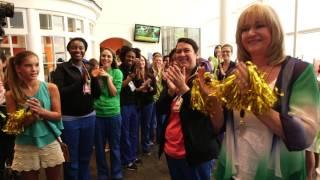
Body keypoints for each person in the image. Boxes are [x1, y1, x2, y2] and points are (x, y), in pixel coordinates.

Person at [203, 3, 320, 179]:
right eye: (244, 29)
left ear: (275, 30)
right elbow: (221, 126)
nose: (250, 33)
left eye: (259, 26)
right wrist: (211, 99)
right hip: (234, 172)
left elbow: (304, 136)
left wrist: (253, 99)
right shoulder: (237, 72)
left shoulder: (300, 72)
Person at [158, 38, 220, 180]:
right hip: (172, 150)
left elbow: (203, 115)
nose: (181, 54)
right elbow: (160, 109)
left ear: (196, 55)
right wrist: (170, 92)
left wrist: (184, 89)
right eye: (178, 51)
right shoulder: (174, 76)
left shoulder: (207, 79)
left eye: (187, 50)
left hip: (196, 152)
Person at [6, 51, 64, 180]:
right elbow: (13, 126)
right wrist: (31, 117)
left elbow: (58, 115)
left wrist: (41, 111)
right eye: (28, 65)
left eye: (37, 65)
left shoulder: (51, 87)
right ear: (18, 68)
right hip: (25, 143)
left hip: (49, 139)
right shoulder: (11, 94)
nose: (34, 69)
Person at [52, 37, 101, 180]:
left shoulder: (89, 67)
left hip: (89, 117)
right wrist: (81, 80)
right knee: (71, 158)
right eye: (74, 47)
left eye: (81, 48)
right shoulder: (62, 68)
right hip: (70, 120)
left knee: (86, 156)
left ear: (85, 50)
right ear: (69, 50)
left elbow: (96, 94)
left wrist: (96, 79)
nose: (78, 50)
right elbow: (60, 92)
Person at [94, 48, 123, 180]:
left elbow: (114, 93)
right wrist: (97, 77)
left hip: (113, 115)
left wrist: (108, 78)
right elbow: (92, 92)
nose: (105, 58)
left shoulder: (117, 72)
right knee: (99, 148)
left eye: (108, 56)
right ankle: (102, 173)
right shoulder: (95, 72)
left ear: (113, 59)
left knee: (115, 146)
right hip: (98, 115)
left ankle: (116, 173)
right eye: (103, 56)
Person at [119, 46, 140, 170]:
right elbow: (119, 87)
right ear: (124, 57)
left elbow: (136, 86)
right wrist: (131, 77)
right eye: (128, 56)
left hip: (133, 105)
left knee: (133, 133)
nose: (131, 59)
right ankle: (126, 160)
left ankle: (132, 156)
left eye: (133, 57)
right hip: (124, 105)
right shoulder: (119, 69)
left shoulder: (133, 69)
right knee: (125, 134)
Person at [134, 55, 156, 155]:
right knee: (136, 126)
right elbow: (132, 90)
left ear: (145, 62)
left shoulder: (150, 74)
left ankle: (145, 146)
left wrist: (150, 88)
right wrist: (140, 89)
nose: (141, 62)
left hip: (148, 103)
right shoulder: (134, 75)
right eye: (139, 61)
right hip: (137, 103)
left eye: (143, 60)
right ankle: (135, 148)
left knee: (146, 125)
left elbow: (155, 91)